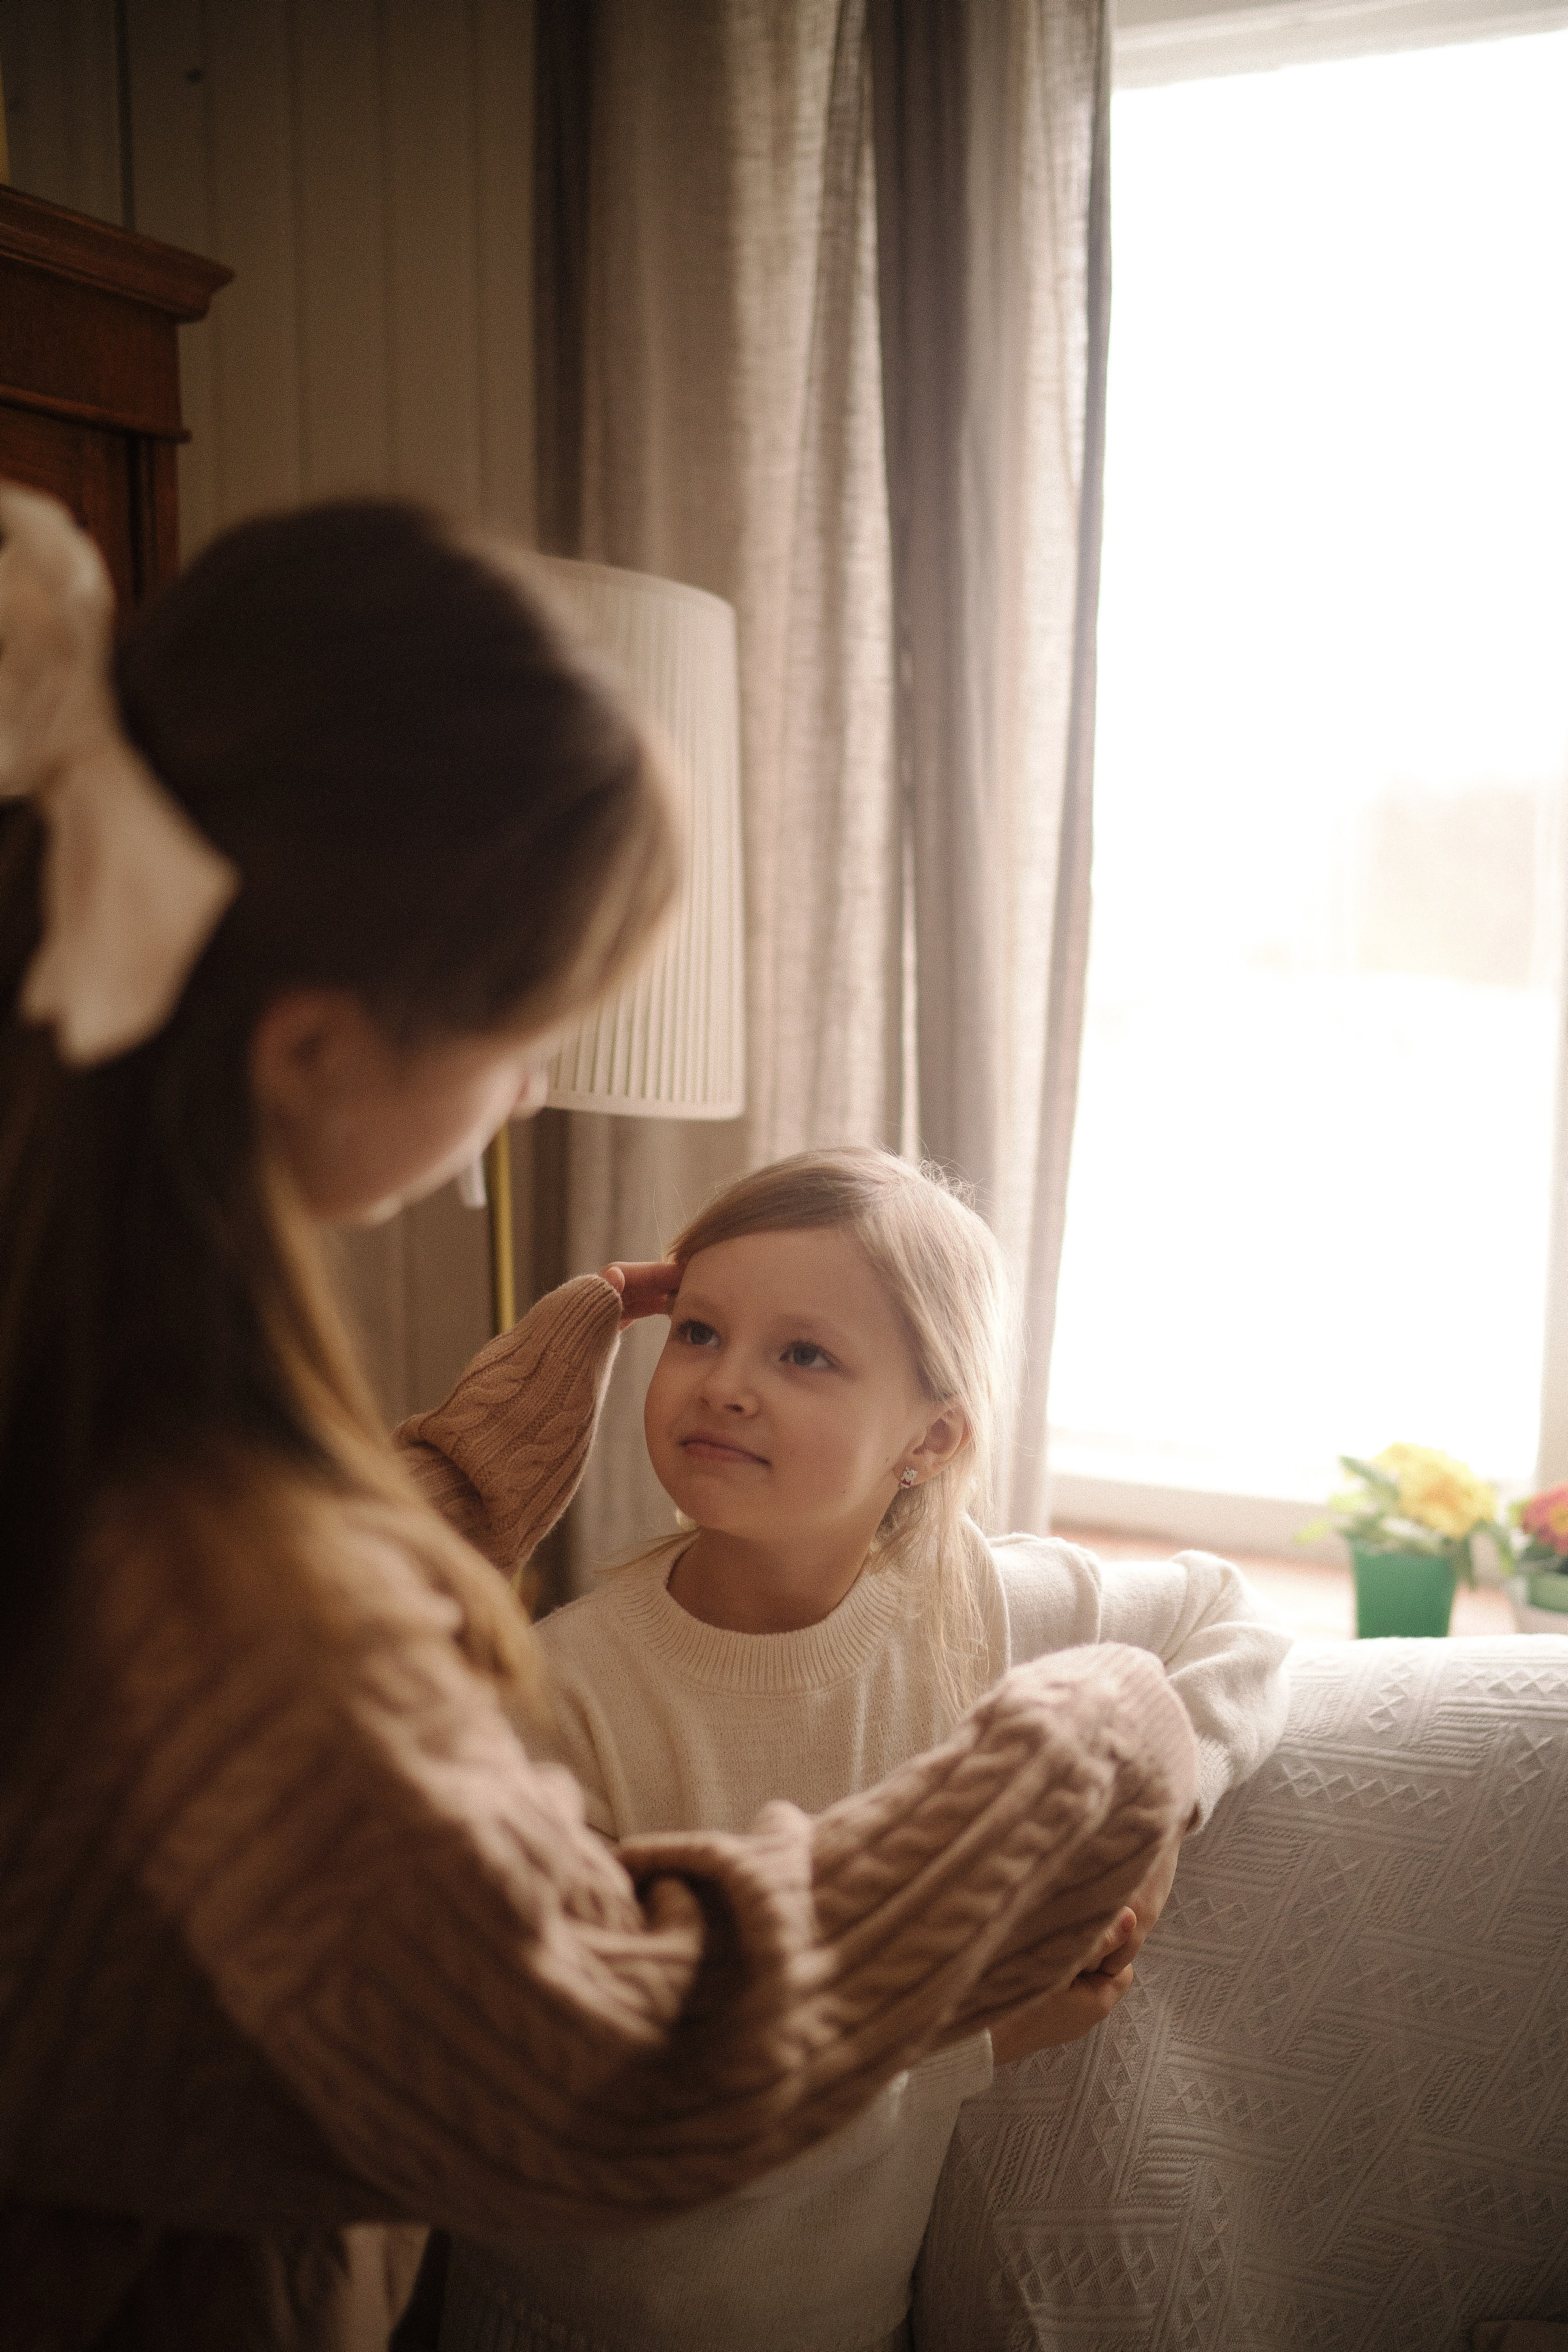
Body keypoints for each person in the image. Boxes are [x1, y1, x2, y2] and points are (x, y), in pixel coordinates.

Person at [0, 487, 1200, 2350]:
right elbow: (605, 2065)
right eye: (525, 1024)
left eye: (812, 1357)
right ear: (314, 1046)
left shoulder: (82, 1366)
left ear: (933, 1432)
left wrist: (454, 1481)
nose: (541, 1082)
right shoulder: (226, 1563)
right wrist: (1087, 1757)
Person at [441, 1148, 1292, 2352]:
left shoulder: (983, 1608)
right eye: (695, 1333)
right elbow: (621, 2102)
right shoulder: (565, 1688)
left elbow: (1230, 1617)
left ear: (932, 1438)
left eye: (801, 1355)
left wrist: (1163, 1799)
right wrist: (973, 2038)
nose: (724, 1385)